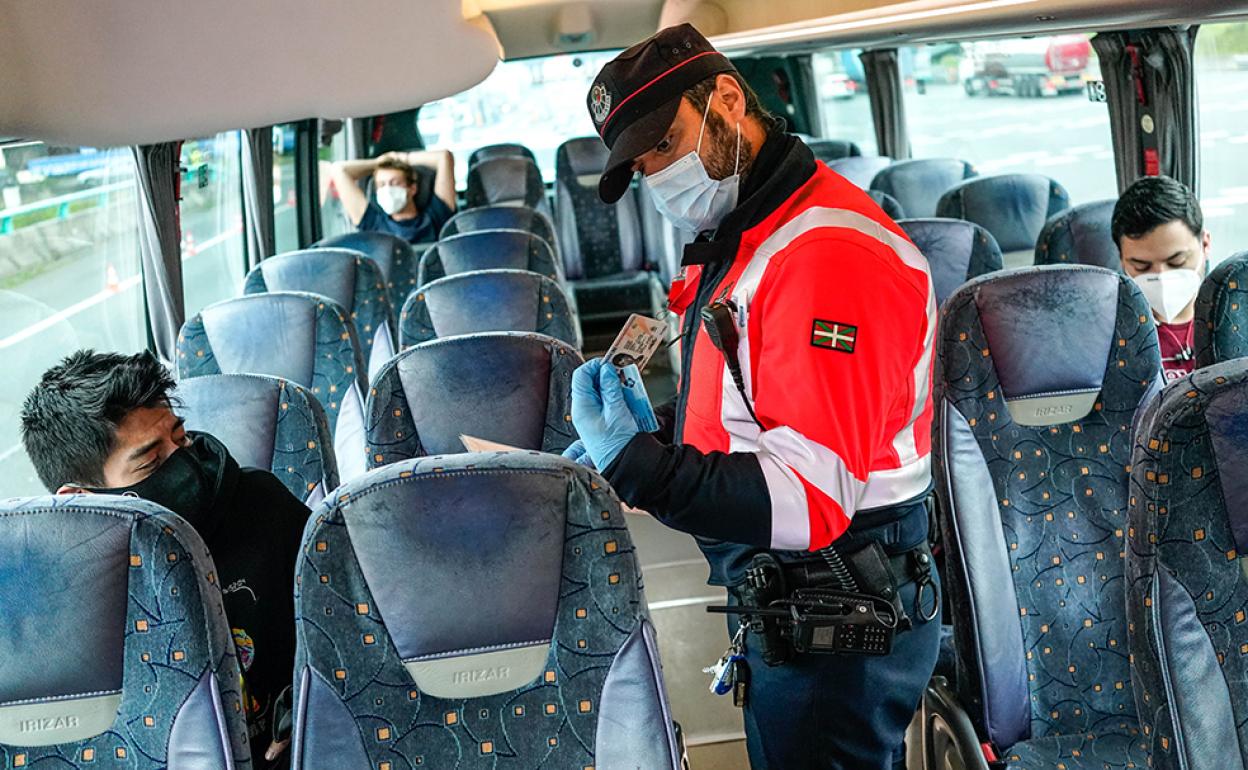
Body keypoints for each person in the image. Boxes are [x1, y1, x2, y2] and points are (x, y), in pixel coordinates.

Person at [566, 24, 939, 770]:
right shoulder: (751, 233)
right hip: (795, 600)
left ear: (727, 101)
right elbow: (763, 404)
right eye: (644, 166)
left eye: (666, 144)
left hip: (837, 600)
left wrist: (641, 466)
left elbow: (811, 497)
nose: (659, 176)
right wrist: (667, 432)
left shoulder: (825, 255)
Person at [20, 350, 309, 768]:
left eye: (182, 437)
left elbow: (341, 640)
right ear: (79, 502)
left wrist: (303, 721)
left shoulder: (261, 506)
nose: (186, 465)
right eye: (151, 462)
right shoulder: (51, 608)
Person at [1112, 175, 1211, 382]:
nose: (1161, 277)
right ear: (1122, 259)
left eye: (1177, 262)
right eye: (1142, 266)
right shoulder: (1111, 334)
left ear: (1205, 244)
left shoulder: (1234, 316)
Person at [328, 149, 456, 244]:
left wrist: (401, 158)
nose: (388, 189)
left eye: (395, 183)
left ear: (412, 188)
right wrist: (378, 162)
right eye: (381, 185)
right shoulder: (372, 222)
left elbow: (444, 157)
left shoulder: (437, 215)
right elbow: (339, 169)